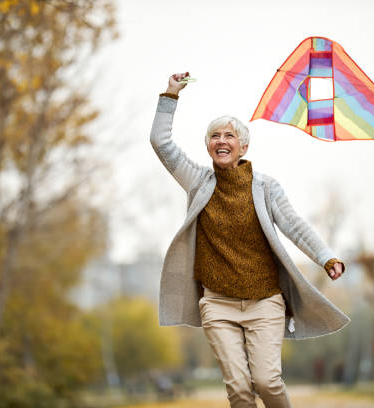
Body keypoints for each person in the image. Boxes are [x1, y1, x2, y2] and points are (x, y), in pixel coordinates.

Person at [150, 72, 350, 408]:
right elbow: (161, 142)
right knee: (240, 390)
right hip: (217, 304)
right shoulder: (198, 181)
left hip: (265, 303)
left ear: (244, 146)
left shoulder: (265, 187)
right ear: (208, 145)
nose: (222, 140)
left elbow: (295, 226)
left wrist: (326, 257)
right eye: (215, 135)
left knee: (267, 382)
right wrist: (171, 94)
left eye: (230, 135)